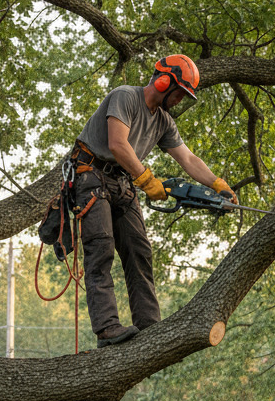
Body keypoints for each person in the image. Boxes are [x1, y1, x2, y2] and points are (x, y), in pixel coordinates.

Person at [66, 54, 239, 347]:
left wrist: (216, 184)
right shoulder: (125, 97)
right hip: (91, 176)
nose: (181, 101)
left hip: (123, 182)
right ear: (164, 81)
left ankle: (149, 325)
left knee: (139, 251)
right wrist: (146, 179)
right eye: (180, 93)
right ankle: (107, 328)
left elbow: (187, 158)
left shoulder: (164, 122)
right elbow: (118, 144)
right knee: (102, 249)